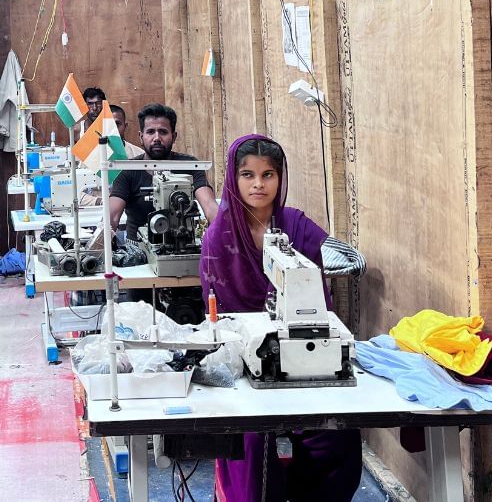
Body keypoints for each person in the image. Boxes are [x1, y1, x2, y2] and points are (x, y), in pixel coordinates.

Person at [200, 134, 361, 501]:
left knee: (339, 435)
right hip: (245, 358)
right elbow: (216, 316)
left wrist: (345, 257)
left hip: (300, 356)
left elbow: (336, 254)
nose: (258, 184)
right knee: (252, 437)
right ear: (233, 178)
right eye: (248, 175)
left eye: (268, 174)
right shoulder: (218, 236)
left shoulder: (295, 224)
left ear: (280, 178)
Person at [108, 103, 219, 239]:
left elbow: (209, 205)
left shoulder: (190, 166)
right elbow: (112, 216)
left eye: (163, 132)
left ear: (174, 136)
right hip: (139, 253)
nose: (157, 138)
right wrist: (100, 246)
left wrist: (226, 233)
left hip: (183, 247)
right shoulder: (128, 170)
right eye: (150, 132)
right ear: (141, 137)